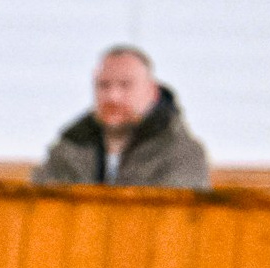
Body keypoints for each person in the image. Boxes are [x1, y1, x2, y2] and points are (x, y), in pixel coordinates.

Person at [32, 45, 209, 189]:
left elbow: (173, 217)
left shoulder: (181, 154)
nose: (113, 97)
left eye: (125, 85)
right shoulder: (68, 149)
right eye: (104, 85)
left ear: (152, 92)